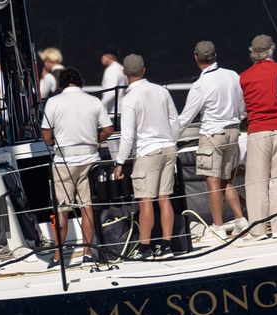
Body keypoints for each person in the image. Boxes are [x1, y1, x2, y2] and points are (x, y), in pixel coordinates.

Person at [40, 66, 112, 266]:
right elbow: (108, 129)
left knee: (62, 210)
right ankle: (87, 254)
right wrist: (96, 141)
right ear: (80, 82)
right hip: (90, 160)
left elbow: (46, 133)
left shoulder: (54, 102)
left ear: (61, 84)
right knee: (87, 208)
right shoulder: (93, 101)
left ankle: (58, 256)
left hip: (64, 162)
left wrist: (52, 143)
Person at [111, 54, 181, 258]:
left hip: (148, 152)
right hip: (168, 148)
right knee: (164, 198)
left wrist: (120, 162)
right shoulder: (161, 91)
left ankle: (145, 248)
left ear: (124, 73)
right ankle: (166, 246)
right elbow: (175, 122)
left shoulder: (129, 98)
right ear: (143, 70)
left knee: (145, 201)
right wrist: (170, 141)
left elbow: (127, 135)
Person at [175, 40, 246, 231]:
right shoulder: (232, 75)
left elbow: (185, 118)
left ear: (196, 58)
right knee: (225, 179)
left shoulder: (200, 85)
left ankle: (218, 227)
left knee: (213, 181)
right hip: (233, 132)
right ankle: (240, 219)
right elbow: (242, 107)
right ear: (215, 56)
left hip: (213, 135)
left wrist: (170, 139)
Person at [238, 34, 277, 240]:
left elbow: (241, 109)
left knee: (256, 182)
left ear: (253, 53)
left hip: (257, 131)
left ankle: (258, 230)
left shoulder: (244, 77)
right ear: (272, 50)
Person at [98, 49, 128, 117]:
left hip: (113, 114)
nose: (101, 58)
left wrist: (100, 106)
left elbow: (111, 92)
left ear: (109, 55)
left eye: (102, 55)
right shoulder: (122, 69)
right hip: (122, 112)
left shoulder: (111, 70)